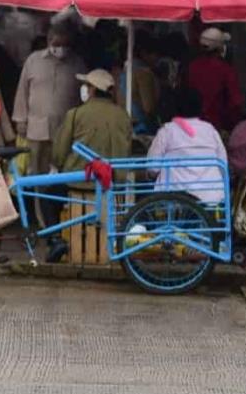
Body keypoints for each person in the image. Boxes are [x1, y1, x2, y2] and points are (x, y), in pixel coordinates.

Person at [45, 69, 133, 262]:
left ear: (92, 89)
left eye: (87, 85)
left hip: (78, 182)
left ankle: (55, 240)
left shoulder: (75, 114)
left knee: (49, 194)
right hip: (112, 184)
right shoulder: (123, 116)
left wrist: (58, 163)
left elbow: (59, 152)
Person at [12, 23, 87, 225]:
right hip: (36, 129)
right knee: (37, 176)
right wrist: (20, 119)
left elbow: (84, 96)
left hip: (66, 131)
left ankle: (59, 219)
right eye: (57, 43)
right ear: (49, 41)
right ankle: (42, 221)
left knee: (63, 176)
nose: (61, 48)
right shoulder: (33, 61)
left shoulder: (77, 63)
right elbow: (22, 91)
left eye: (65, 44)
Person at [146, 88, 228, 204]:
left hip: (173, 200)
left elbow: (152, 167)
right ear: (200, 108)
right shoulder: (210, 130)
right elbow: (223, 166)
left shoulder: (167, 131)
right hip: (210, 198)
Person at [185, 27, 243, 133]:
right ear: (220, 48)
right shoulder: (226, 70)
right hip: (216, 128)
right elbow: (235, 103)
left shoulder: (191, 68)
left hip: (191, 126)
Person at [119, 30, 162, 135]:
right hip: (139, 127)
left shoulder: (122, 70)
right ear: (144, 53)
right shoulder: (144, 73)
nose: (157, 59)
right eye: (155, 54)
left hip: (121, 124)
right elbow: (149, 107)